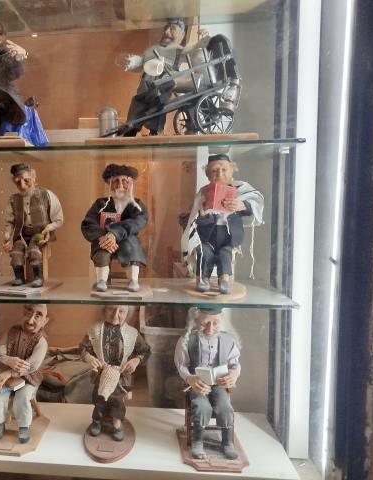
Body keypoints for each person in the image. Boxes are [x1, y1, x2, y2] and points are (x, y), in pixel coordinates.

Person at [180, 153, 264, 294]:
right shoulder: (203, 193)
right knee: (204, 251)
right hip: (207, 235)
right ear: (207, 174)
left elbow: (254, 205)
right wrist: (202, 212)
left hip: (228, 236)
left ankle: (224, 280)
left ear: (232, 170)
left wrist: (242, 205)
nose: (219, 174)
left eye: (224, 169)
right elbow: (194, 220)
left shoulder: (241, 190)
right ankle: (203, 279)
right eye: (214, 170)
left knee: (225, 253)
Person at [174, 307, 240, 460]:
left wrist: (234, 374)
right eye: (204, 323)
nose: (210, 329)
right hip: (198, 384)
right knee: (202, 407)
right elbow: (181, 365)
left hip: (219, 384)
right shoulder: (187, 340)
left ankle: (227, 442)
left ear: (221, 322)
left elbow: (234, 363)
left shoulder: (228, 340)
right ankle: (197, 441)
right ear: (195, 321)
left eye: (215, 323)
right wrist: (190, 378)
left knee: (225, 407)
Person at [79, 305, 150, 441]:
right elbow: (82, 348)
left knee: (117, 399)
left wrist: (136, 360)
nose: (115, 314)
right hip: (101, 372)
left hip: (120, 374)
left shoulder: (132, 333)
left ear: (127, 313)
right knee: (99, 398)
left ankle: (117, 423)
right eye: (111, 309)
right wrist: (89, 357)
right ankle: (97, 420)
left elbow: (145, 351)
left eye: (121, 311)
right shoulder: (94, 330)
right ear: (104, 309)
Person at [81, 164, 148, 292]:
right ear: (109, 183)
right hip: (104, 240)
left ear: (130, 183)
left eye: (124, 181)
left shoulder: (136, 205)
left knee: (131, 246)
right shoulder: (100, 204)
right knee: (101, 251)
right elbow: (88, 224)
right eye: (116, 181)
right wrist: (103, 237)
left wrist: (114, 234)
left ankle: (133, 280)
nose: (120, 185)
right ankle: (102, 280)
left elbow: (138, 221)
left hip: (127, 240)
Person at [0, 304, 49, 444]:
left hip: (29, 381)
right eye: (29, 312)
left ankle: (24, 426)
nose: (30, 320)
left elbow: (32, 366)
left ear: (45, 321)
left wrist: (9, 372)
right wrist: (9, 360)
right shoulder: (12, 331)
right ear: (23, 312)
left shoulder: (41, 341)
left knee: (22, 397)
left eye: (38, 316)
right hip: (10, 383)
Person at [120, 18, 187, 136]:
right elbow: (142, 62)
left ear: (182, 34)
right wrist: (133, 62)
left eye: (172, 29)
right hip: (145, 88)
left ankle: (156, 131)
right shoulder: (153, 49)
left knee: (158, 105)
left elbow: (185, 71)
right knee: (137, 103)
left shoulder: (180, 53)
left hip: (161, 88)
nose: (166, 32)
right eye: (166, 28)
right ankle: (131, 129)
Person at [2, 163, 63, 287]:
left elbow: (59, 219)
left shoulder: (46, 195)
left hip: (39, 234)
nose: (22, 185)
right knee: (16, 251)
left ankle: (38, 277)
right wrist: (8, 237)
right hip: (21, 235)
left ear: (33, 178)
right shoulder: (13, 200)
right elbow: (9, 222)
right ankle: (19, 277)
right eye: (18, 182)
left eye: (26, 180)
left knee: (34, 250)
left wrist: (48, 228)